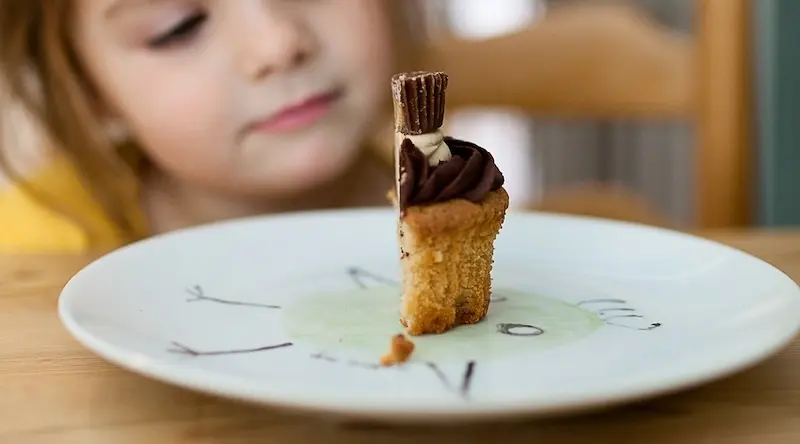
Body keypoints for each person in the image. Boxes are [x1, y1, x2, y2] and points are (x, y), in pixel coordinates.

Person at [0, 0, 431, 253]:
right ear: (86, 90)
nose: (277, 45)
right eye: (179, 28)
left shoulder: (468, 212)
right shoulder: (22, 252)